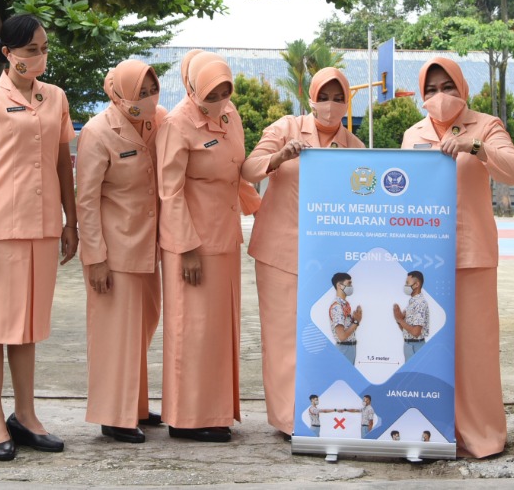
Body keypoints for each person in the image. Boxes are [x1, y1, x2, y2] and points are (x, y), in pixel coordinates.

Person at [0, 14, 78, 461]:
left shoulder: (57, 97)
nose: (40, 58)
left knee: (27, 325)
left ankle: (25, 415)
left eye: (44, 49)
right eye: (31, 52)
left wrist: (71, 221)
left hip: (44, 226)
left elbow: (64, 162)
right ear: (8, 53)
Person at [401, 56, 514, 459]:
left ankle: (482, 433)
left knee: (475, 348)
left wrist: (477, 146)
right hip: (422, 258)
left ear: (462, 88)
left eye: (448, 87)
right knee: (424, 345)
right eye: (432, 90)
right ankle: (434, 430)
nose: (441, 97)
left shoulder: (486, 125)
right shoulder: (413, 134)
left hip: (471, 254)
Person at [242, 66, 364, 437]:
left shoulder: (355, 147)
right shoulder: (285, 128)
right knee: (282, 338)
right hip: (280, 252)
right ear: (311, 98)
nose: (330, 105)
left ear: (347, 101)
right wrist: (279, 157)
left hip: (330, 259)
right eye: (323, 97)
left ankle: (325, 413)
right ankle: (287, 419)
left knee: (325, 337)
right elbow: (248, 170)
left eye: (337, 97)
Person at [156, 51, 250, 443]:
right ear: (192, 88)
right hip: (192, 242)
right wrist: (186, 247)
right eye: (212, 93)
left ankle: (216, 410)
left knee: (219, 331)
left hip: (225, 235)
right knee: (191, 331)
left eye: (225, 91)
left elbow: (240, 167)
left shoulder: (230, 117)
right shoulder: (178, 124)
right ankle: (186, 417)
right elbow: (170, 190)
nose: (219, 99)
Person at [76, 60, 167, 444]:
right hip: (114, 251)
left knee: (143, 326)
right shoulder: (98, 132)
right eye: (139, 93)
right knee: (115, 335)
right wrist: (94, 258)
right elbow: (86, 200)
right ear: (118, 94)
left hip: (148, 246)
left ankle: (135, 405)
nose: (148, 99)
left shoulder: (156, 121)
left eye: (151, 90)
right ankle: (114, 415)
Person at [393, 269, 429, 360]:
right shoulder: (412, 302)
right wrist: (399, 320)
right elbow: (406, 331)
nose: (405, 286)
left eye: (407, 283)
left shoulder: (419, 303)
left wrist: (400, 320)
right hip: (409, 345)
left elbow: (416, 332)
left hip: (416, 346)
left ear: (417, 285)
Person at [327, 272, 362, 366]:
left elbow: (348, 330)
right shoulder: (337, 307)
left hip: (350, 348)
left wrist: (355, 321)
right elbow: (342, 337)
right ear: (339, 285)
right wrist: (356, 322)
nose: (351, 286)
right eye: (349, 283)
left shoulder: (344, 304)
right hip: (344, 349)